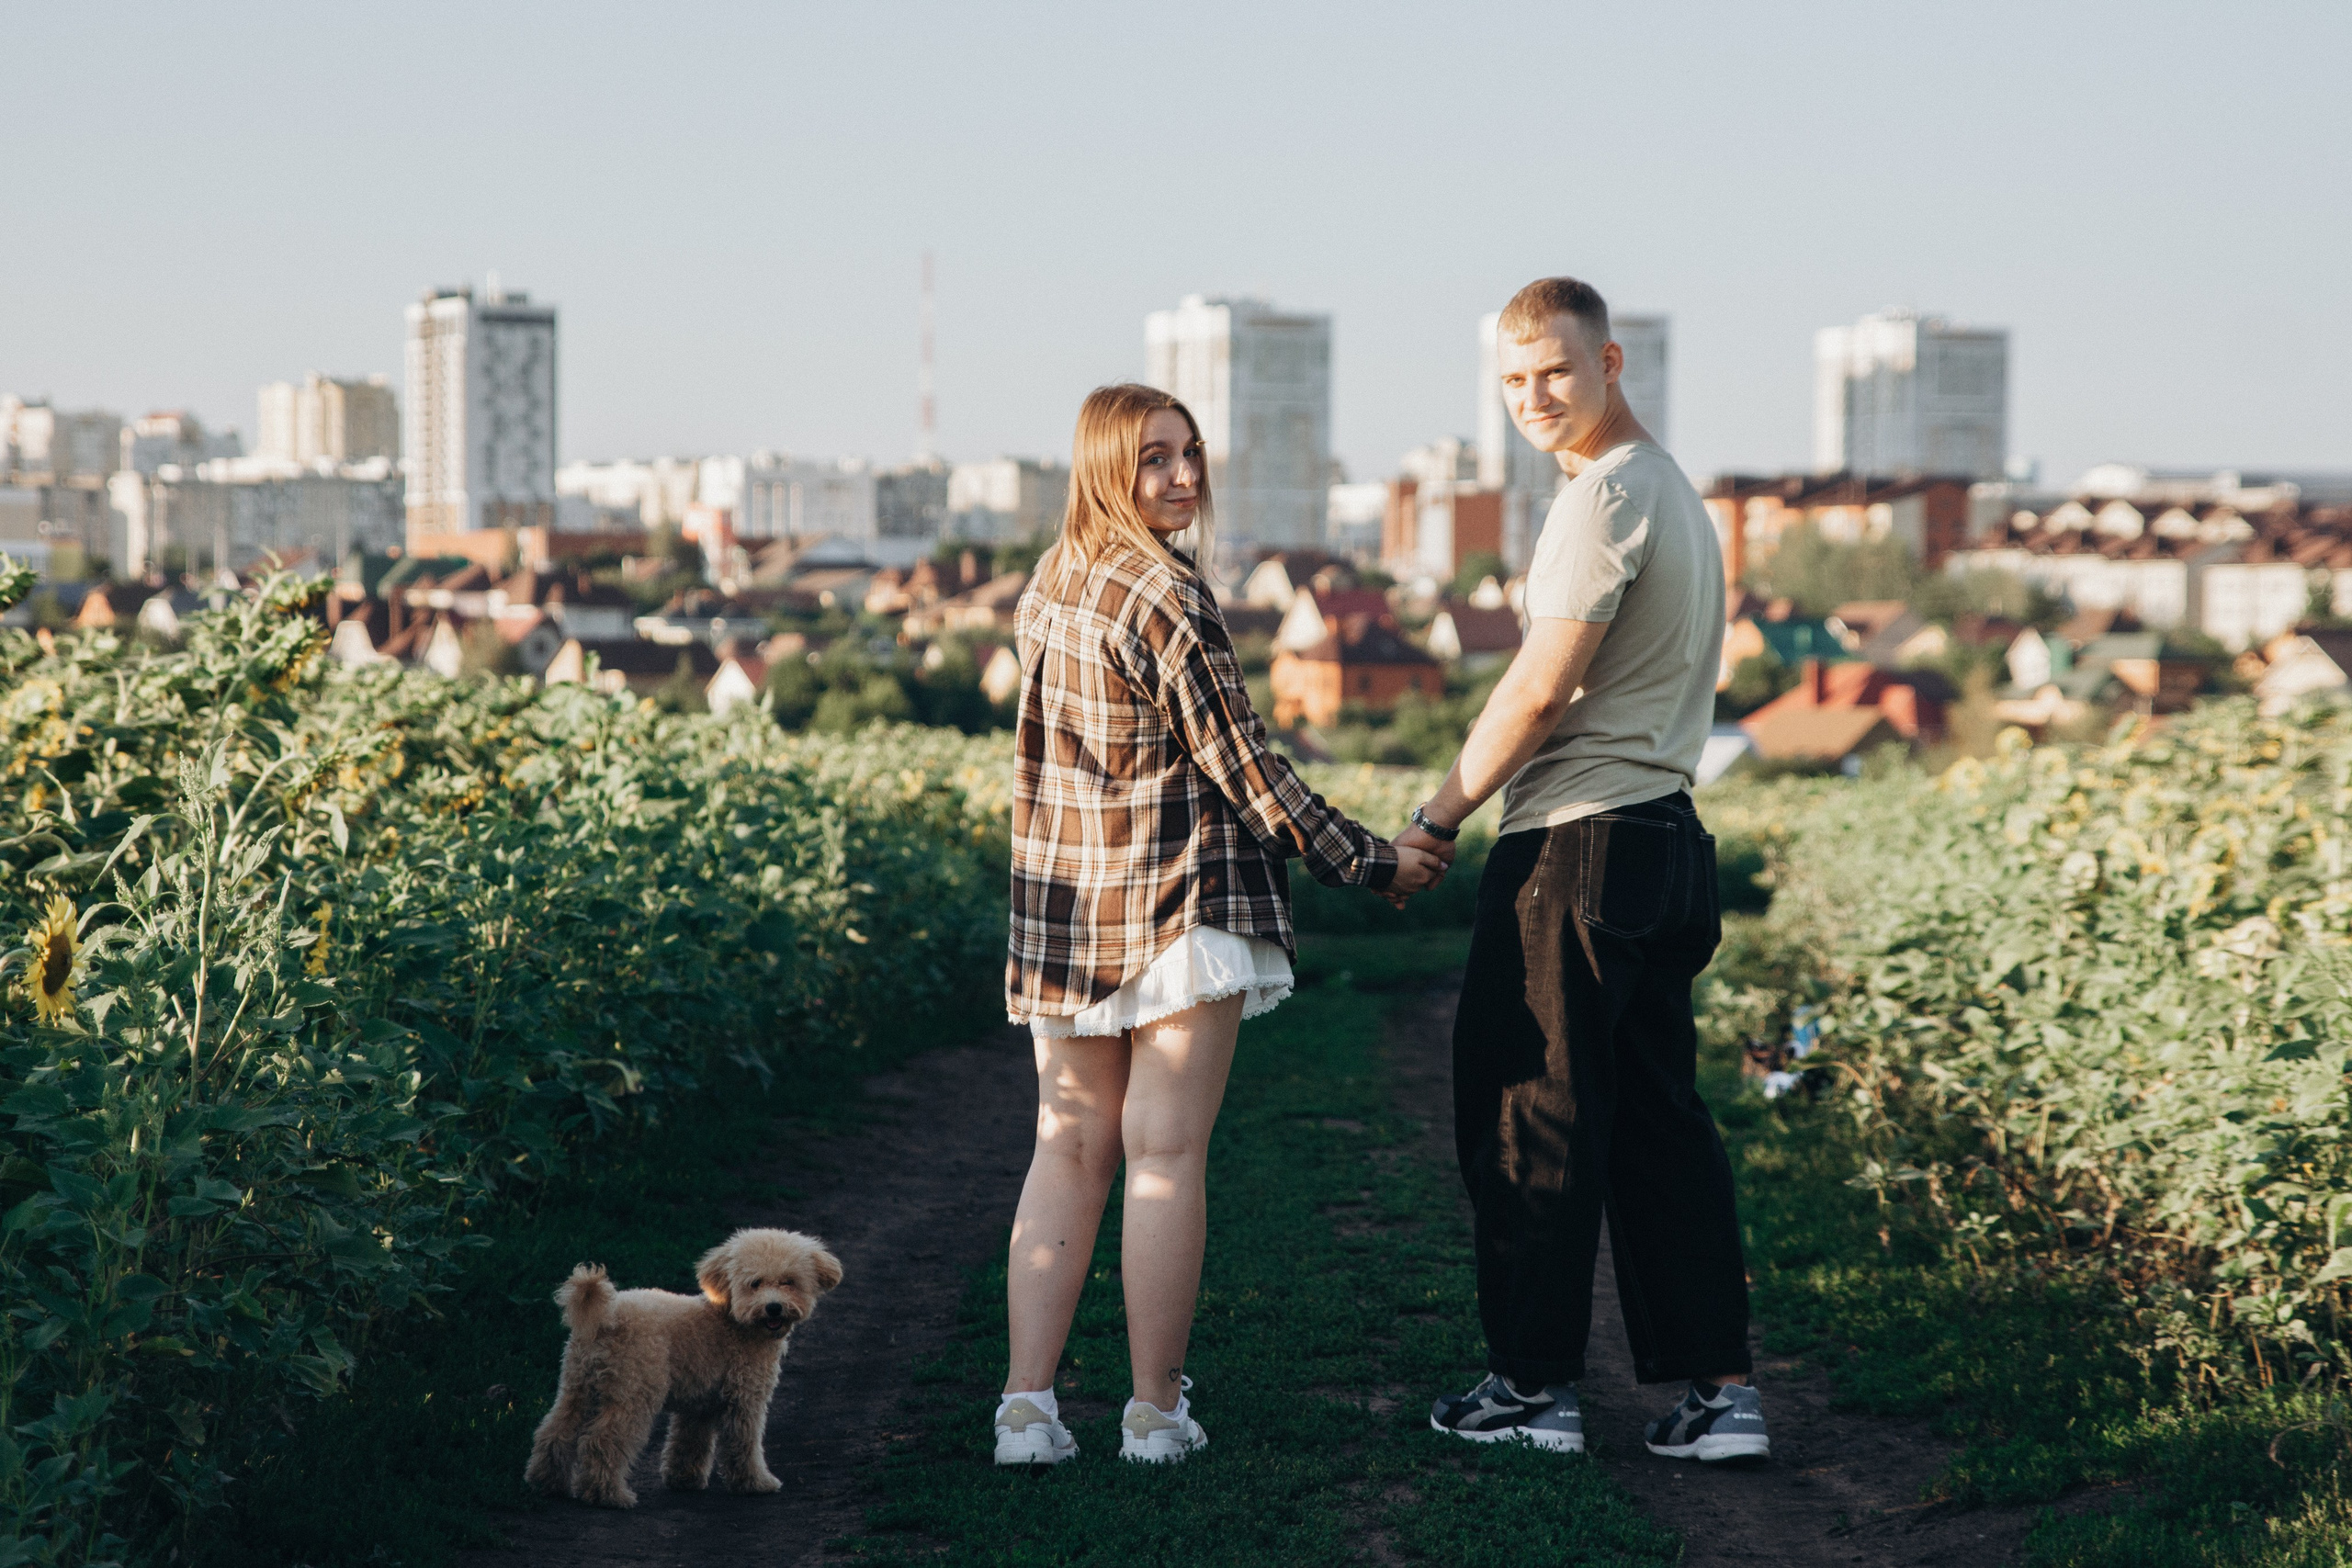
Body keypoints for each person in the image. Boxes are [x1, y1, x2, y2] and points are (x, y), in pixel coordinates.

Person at [994, 381, 1449, 1467]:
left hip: (1066, 913)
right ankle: (1153, 1415)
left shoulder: (1047, 588)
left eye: (1191, 453)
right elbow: (1247, 771)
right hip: (1176, 903)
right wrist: (1374, 862)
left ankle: (1026, 1411)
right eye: (1154, 458)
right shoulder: (1166, 594)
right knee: (1162, 1153)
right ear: (1105, 466)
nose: (1184, 476)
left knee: (1066, 1149)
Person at [1407, 277, 1769, 1463]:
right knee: (1664, 1122)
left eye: (1553, 371)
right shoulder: (1674, 491)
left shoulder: (1605, 494)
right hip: (1668, 837)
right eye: (1512, 381)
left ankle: (1532, 1390)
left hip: (1578, 840)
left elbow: (1541, 684)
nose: (1532, 398)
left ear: (1609, 360)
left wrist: (1439, 813)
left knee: (1530, 1115)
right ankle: (1723, 1397)